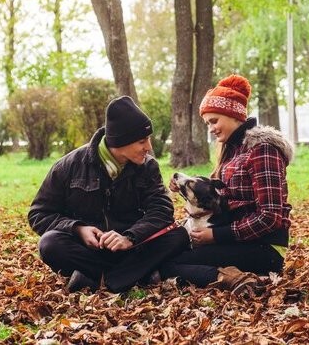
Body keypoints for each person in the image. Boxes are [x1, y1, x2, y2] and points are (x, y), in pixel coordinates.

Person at [28, 95, 189, 293]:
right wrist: (78, 229)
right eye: (142, 141)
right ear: (120, 142)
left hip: (132, 249)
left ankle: (99, 280)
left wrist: (130, 237)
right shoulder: (68, 166)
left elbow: (162, 210)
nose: (149, 147)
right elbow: (38, 214)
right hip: (89, 252)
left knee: (179, 235)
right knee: (50, 243)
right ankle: (138, 276)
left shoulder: (148, 166)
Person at [159, 74, 293, 293]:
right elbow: (220, 194)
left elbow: (270, 216)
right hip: (238, 241)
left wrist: (217, 236)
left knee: (172, 264)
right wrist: (184, 185)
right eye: (208, 123)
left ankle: (234, 279)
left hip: (265, 248)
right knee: (170, 252)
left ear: (234, 115)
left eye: (214, 120)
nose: (211, 128)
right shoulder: (232, 150)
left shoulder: (262, 150)